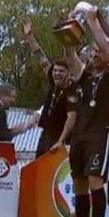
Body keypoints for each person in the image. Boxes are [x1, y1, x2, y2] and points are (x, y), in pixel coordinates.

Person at [54, 7, 109, 217]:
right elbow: (71, 54)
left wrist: (93, 22)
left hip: (99, 132)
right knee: (79, 184)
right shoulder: (85, 77)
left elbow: (106, 48)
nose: (95, 54)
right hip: (80, 135)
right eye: (92, 52)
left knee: (95, 180)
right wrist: (69, 28)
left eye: (98, 53)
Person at [22, 20, 78, 157]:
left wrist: (60, 141)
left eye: (61, 71)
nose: (56, 74)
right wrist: (30, 38)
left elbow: (71, 118)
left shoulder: (73, 91)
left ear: (68, 73)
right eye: (55, 71)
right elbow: (40, 56)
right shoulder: (53, 81)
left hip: (63, 137)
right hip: (46, 134)